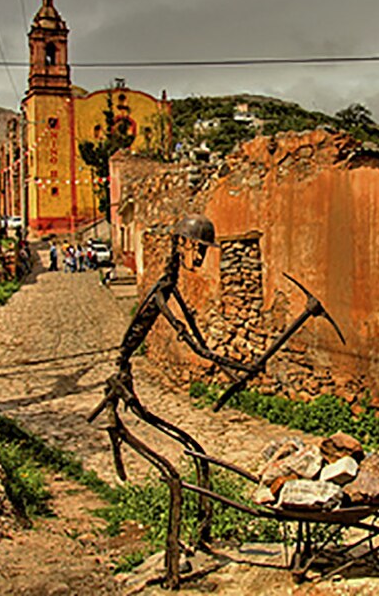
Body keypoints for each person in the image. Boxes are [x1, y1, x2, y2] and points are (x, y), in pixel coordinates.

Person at [90, 214, 254, 587]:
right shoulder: (163, 286)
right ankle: (173, 569)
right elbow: (172, 319)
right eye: (198, 248)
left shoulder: (174, 283)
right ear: (181, 244)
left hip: (128, 371)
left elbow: (191, 328)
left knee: (195, 447)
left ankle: (204, 535)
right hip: (122, 380)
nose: (200, 257)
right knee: (173, 471)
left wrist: (218, 358)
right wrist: (205, 348)